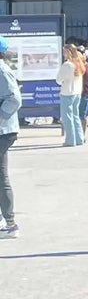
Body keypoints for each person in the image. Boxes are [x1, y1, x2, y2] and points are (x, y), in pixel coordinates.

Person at [0, 37, 22, 239]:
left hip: (3, 131)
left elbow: (14, 98)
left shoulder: (1, 70)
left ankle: (10, 223)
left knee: (1, 176)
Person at [56, 44, 86, 147]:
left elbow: (58, 80)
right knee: (75, 116)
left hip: (67, 92)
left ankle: (70, 140)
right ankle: (79, 138)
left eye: (64, 51)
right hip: (77, 92)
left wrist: (62, 80)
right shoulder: (79, 63)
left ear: (68, 52)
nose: (63, 53)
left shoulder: (67, 65)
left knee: (67, 117)